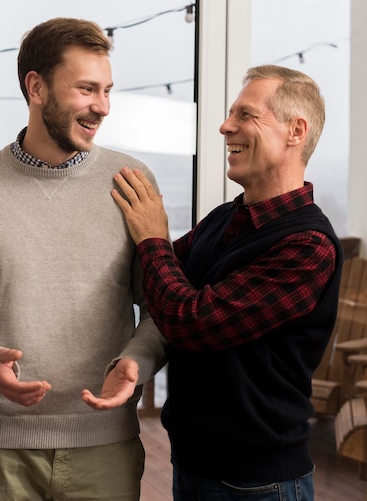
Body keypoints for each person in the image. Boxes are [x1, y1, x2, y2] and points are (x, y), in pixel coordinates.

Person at [0, 17, 167, 501]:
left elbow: (161, 304)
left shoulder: (133, 181)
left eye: (107, 91)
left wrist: (136, 359)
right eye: (86, 89)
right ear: (36, 87)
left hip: (105, 442)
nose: (102, 107)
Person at [111, 64, 344, 500]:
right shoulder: (225, 218)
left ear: (296, 131)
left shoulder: (308, 245)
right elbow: (150, 279)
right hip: (195, 468)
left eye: (245, 115)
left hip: (260, 483)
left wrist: (153, 236)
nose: (224, 126)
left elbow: (190, 321)